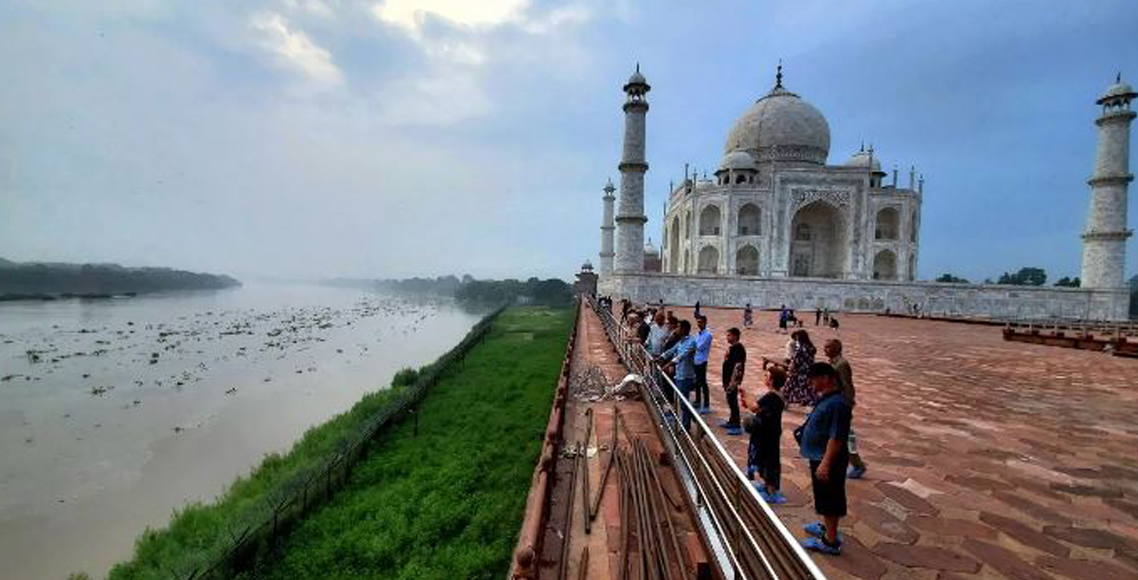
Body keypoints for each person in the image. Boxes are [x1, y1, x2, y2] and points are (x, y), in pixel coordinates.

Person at [798, 362, 852, 556]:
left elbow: (836, 437)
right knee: (824, 495)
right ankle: (827, 527)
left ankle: (830, 540)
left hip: (827, 459)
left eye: (814, 378)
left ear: (826, 378)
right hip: (818, 455)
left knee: (830, 498)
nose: (811, 382)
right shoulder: (828, 399)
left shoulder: (838, 404)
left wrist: (826, 463)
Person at [824, 339, 868, 479]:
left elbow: (847, 386)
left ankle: (857, 464)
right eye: (825, 347)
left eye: (828, 347)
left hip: (841, 405)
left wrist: (847, 405)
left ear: (837, 348)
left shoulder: (842, 364)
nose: (825, 349)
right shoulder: (832, 362)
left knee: (845, 436)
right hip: (832, 403)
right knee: (828, 433)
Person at [745, 366, 786, 503]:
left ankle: (771, 490)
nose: (765, 378)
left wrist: (745, 395)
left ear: (772, 380)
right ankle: (767, 486)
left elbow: (754, 407)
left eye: (767, 376)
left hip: (769, 433)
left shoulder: (772, 396)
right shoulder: (775, 395)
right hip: (770, 431)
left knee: (769, 460)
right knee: (766, 458)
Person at [656, 320, 697, 430]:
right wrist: (660, 358)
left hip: (686, 376)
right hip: (679, 375)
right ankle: (693, 420)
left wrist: (667, 364)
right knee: (682, 401)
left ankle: (686, 426)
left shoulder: (691, 342)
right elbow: (671, 351)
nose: (676, 330)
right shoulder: (681, 341)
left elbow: (681, 356)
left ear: (684, 329)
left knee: (684, 403)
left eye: (678, 327)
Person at [718, 327, 746, 435]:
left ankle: (736, 423)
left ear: (735, 336)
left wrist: (733, 382)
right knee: (730, 400)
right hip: (728, 379)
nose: (727, 337)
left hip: (732, 380)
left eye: (729, 335)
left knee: (733, 401)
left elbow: (738, 367)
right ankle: (731, 420)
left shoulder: (738, 348)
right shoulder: (732, 348)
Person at [783, 330, 817, 406]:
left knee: (789, 386)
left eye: (797, 338)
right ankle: (805, 401)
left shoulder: (802, 348)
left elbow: (797, 361)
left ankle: (786, 401)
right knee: (806, 388)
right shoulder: (810, 347)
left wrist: (791, 368)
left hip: (799, 371)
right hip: (808, 370)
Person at [692, 315, 713, 414]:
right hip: (695, 360)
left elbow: (699, 346)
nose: (699, 324)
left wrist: (693, 346)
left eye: (701, 322)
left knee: (703, 382)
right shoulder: (698, 334)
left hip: (702, 361)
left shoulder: (708, 335)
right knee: (697, 382)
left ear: (705, 323)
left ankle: (706, 404)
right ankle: (697, 400)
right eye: (698, 322)